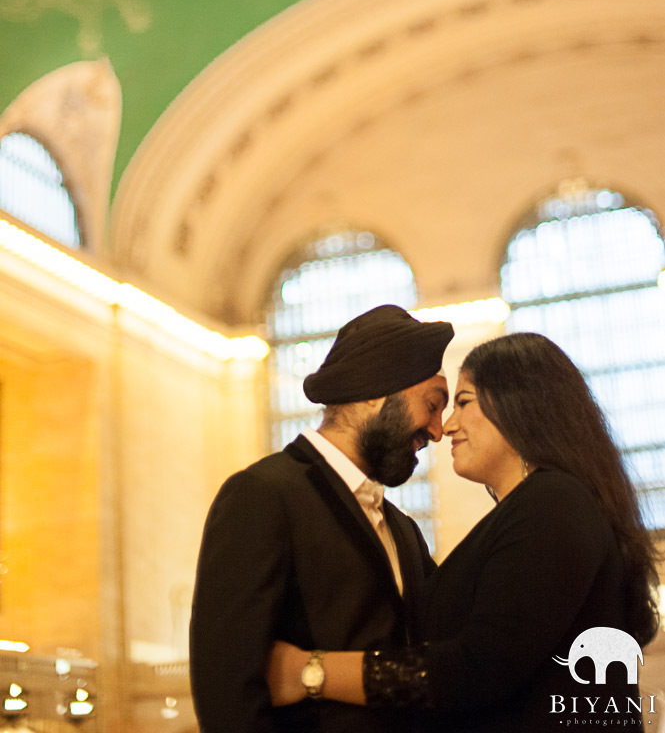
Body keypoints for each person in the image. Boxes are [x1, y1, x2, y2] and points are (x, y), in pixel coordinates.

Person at [267, 331, 661, 732]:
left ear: (519, 403)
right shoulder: (537, 506)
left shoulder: (554, 501)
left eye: (463, 402)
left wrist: (309, 672)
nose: (446, 427)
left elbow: (480, 666)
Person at [189, 304, 454, 733]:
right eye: (432, 404)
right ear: (374, 390)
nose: (438, 430)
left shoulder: (402, 529)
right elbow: (227, 692)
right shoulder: (263, 495)